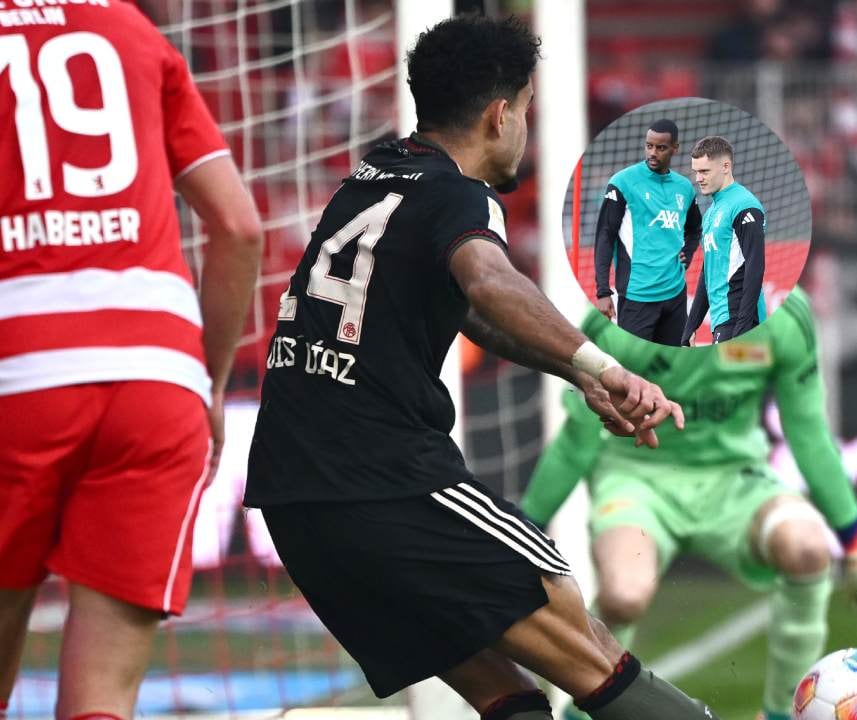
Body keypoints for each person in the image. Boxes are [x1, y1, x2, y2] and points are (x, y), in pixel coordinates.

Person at [244, 16, 720, 720]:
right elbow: (489, 283)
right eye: (529, 110)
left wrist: (574, 375)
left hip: (295, 504)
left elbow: (461, 309)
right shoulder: (460, 196)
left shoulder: (372, 178)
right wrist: (601, 362)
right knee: (565, 610)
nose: (529, 127)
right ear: (501, 115)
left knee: (509, 701)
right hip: (384, 483)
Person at [0, 3, 264, 718]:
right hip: (158, 382)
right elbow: (239, 228)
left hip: (17, 373)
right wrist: (207, 384)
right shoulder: (131, 29)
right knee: (102, 702)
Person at [523, 289, 857, 720]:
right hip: (638, 481)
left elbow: (807, 431)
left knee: (807, 546)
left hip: (736, 479)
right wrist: (522, 534)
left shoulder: (784, 312)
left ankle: (778, 715)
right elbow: (575, 443)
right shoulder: (616, 316)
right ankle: (576, 715)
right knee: (623, 594)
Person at [593, 119, 701, 346]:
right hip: (637, 296)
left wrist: (688, 253)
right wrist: (603, 291)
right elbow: (605, 235)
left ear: (675, 148)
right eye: (649, 146)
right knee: (635, 371)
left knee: (674, 368)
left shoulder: (684, 188)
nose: (653, 153)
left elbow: (694, 229)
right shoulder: (623, 183)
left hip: (676, 295)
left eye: (660, 148)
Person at [683, 136, 767, 344]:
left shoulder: (744, 205)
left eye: (704, 171)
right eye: (696, 172)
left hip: (742, 321)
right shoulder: (712, 212)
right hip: (722, 321)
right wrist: (690, 327)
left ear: (725, 167)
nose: (698, 178)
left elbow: (755, 268)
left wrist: (743, 329)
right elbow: (708, 272)